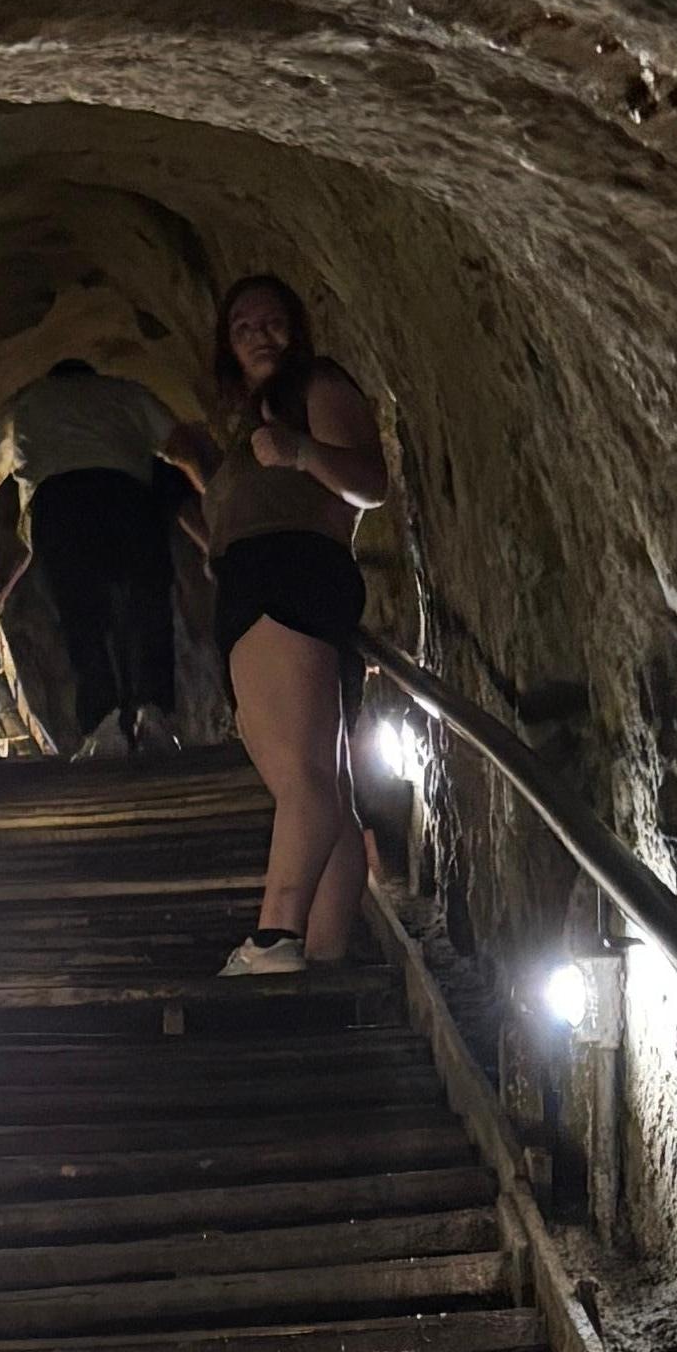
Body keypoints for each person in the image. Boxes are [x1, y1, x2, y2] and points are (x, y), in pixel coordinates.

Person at [202, 273, 386, 971]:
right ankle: (324, 956)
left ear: (297, 327)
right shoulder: (247, 422)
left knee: (305, 780)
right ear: (227, 344)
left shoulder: (316, 385)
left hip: (285, 575)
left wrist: (301, 452)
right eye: (243, 326)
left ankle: (274, 939)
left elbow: (369, 483)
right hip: (262, 580)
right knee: (321, 792)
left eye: (271, 320)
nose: (259, 335)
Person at [0, 353, 200, 758]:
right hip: (128, 498)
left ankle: (104, 725)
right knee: (147, 607)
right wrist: (217, 499)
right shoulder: (126, 393)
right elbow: (183, 449)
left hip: (60, 505)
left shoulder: (27, 403)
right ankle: (153, 714)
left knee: (81, 616)